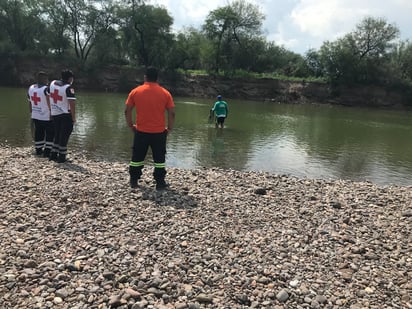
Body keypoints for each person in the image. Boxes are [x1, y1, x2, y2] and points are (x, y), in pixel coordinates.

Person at [125, 66, 175, 190]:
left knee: (137, 157)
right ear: (157, 78)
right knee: (159, 159)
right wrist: (169, 128)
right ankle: (160, 183)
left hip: (141, 131)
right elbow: (172, 113)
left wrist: (131, 125)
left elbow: (127, 110)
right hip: (159, 132)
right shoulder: (165, 93)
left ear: (145, 77)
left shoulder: (136, 91)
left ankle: (134, 180)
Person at [49, 69, 76, 163]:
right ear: (70, 78)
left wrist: (50, 111)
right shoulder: (69, 88)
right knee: (64, 136)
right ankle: (62, 157)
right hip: (65, 115)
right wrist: (73, 117)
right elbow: (72, 103)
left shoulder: (53, 83)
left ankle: (53, 154)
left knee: (57, 134)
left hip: (55, 113)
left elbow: (49, 95)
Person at [27, 71, 54, 157]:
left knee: (38, 132)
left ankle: (38, 150)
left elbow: (30, 102)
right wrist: (51, 113)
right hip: (46, 115)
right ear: (44, 79)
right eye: (46, 79)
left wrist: (31, 112)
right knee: (50, 133)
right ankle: (47, 151)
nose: (47, 80)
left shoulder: (31, 87)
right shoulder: (46, 89)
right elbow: (48, 101)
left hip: (35, 115)